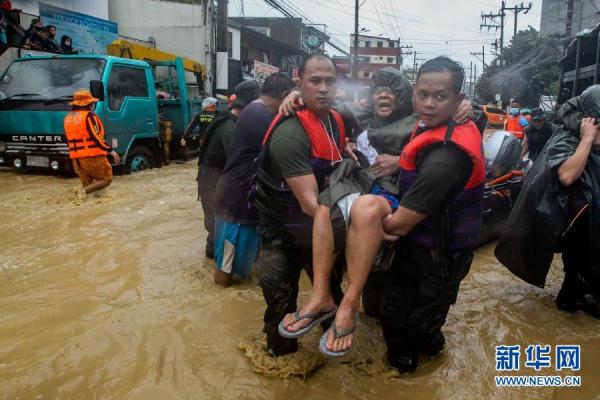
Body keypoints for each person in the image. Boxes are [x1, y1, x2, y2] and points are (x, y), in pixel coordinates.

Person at [381, 56, 485, 373]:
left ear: (458, 100)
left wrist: (364, 215)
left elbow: (398, 225)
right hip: (416, 247)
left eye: (440, 97)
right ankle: (401, 373)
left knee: (420, 328)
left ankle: (423, 374)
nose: (429, 104)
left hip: (440, 258)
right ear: (413, 92)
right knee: (390, 312)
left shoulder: (447, 158)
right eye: (423, 94)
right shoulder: (429, 124)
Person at [252, 54, 347, 357]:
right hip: (281, 236)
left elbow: (396, 113)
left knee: (332, 298)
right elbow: (312, 206)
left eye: (329, 81)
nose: (323, 88)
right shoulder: (290, 134)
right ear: (299, 83)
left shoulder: (334, 120)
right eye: (314, 81)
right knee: (281, 308)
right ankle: (283, 367)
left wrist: (470, 115)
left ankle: (335, 362)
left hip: (320, 237)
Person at [495, 85, 600, 319]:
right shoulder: (567, 139)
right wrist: (587, 140)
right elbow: (567, 175)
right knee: (576, 288)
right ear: (589, 122)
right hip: (579, 229)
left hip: (595, 228)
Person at [212, 73, 294, 287]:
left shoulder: (255, 110)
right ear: (285, 95)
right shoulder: (261, 116)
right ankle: (224, 305)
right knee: (225, 269)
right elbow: (285, 149)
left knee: (247, 261)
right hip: (236, 202)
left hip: (240, 196)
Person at [197, 81, 260, 260]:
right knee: (218, 231)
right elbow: (239, 160)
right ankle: (218, 271)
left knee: (219, 229)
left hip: (218, 181)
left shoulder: (233, 121)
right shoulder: (230, 127)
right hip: (213, 182)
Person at [63, 90, 121, 195]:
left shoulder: (68, 118)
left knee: (90, 188)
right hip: (92, 156)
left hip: (76, 159)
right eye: (91, 103)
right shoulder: (89, 116)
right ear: (88, 104)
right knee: (106, 179)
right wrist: (111, 150)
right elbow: (96, 137)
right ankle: (79, 193)